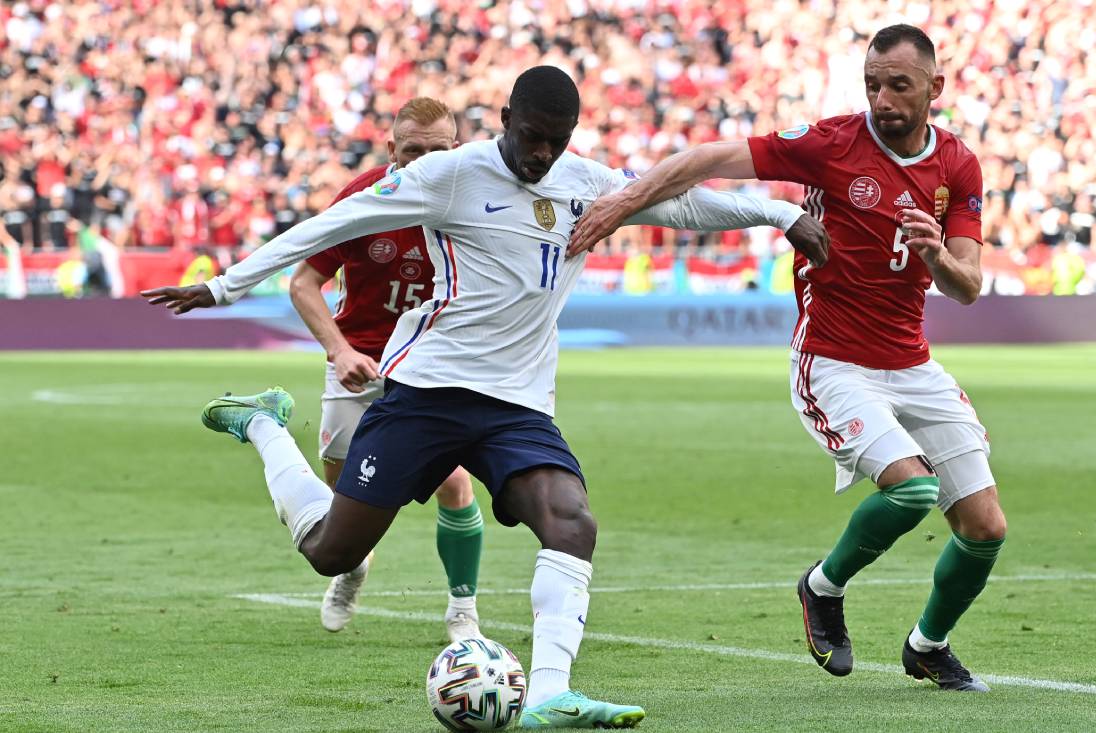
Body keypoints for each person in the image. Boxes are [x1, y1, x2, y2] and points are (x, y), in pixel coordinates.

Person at [143, 65, 828, 729]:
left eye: (555, 141)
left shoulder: (583, 179)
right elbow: (332, 225)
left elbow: (678, 201)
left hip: (517, 405)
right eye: (531, 135)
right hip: (428, 391)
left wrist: (774, 212)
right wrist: (226, 285)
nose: (540, 152)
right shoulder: (451, 174)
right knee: (331, 551)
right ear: (504, 120)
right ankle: (264, 424)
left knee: (572, 522)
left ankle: (551, 694)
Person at [569, 25, 1007, 693]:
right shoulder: (833, 143)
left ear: (935, 89)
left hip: (913, 363)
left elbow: (969, 286)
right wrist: (627, 200)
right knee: (913, 488)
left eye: (899, 86)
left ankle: (927, 644)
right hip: (833, 361)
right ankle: (822, 587)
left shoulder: (958, 166)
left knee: (985, 527)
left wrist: (936, 255)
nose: (883, 100)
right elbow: (710, 157)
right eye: (872, 85)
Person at [288, 97, 485, 639]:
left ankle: (462, 609)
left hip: (432, 362)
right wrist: (339, 350)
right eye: (413, 150)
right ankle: (354, 568)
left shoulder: (477, 200)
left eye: (438, 151)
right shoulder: (363, 198)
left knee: (453, 479)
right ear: (392, 148)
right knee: (343, 499)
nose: (425, 161)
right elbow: (303, 283)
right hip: (360, 359)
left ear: (458, 151)